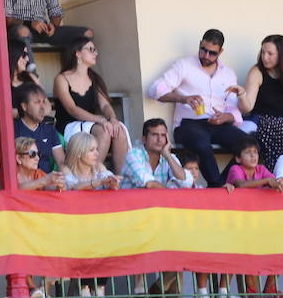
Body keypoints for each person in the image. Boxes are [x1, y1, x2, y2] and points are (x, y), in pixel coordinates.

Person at [54, 37, 130, 172]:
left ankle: (121, 179)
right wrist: (101, 120)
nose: (95, 53)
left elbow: (105, 106)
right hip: (69, 126)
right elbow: (72, 109)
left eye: (95, 50)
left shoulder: (94, 78)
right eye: (90, 49)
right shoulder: (62, 78)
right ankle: (93, 175)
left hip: (90, 124)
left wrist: (112, 119)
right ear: (77, 53)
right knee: (104, 132)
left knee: (119, 131)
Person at [230, 34, 283, 171]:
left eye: (270, 53)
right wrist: (242, 95)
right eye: (263, 52)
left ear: (282, 55)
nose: (264, 57)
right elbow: (247, 107)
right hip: (267, 123)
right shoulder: (257, 72)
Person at [121, 118, 195, 189]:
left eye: (163, 135)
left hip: (156, 200)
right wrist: (172, 195)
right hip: (131, 201)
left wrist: (168, 156)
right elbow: (149, 184)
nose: (159, 139)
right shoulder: (133, 155)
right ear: (144, 139)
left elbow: (186, 183)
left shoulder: (169, 157)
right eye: (154, 135)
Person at [15, 84, 66, 173]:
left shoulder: (49, 130)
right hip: (24, 182)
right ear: (24, 106)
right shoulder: (13, 130)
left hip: (47, 182)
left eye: (43, 102)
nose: (42, 107)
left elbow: (61, 162)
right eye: (37, 102)